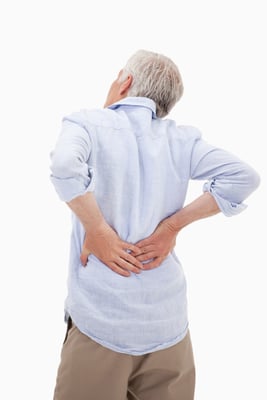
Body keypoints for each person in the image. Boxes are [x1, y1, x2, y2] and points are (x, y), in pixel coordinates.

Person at [50, 49, 260, 400]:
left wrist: (99, 230)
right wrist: (172, 227)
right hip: (168, 326)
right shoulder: (182, 140)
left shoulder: (87, 124)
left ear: (124, 81)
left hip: (102, 322)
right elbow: (244, 177)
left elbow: (64, 167)